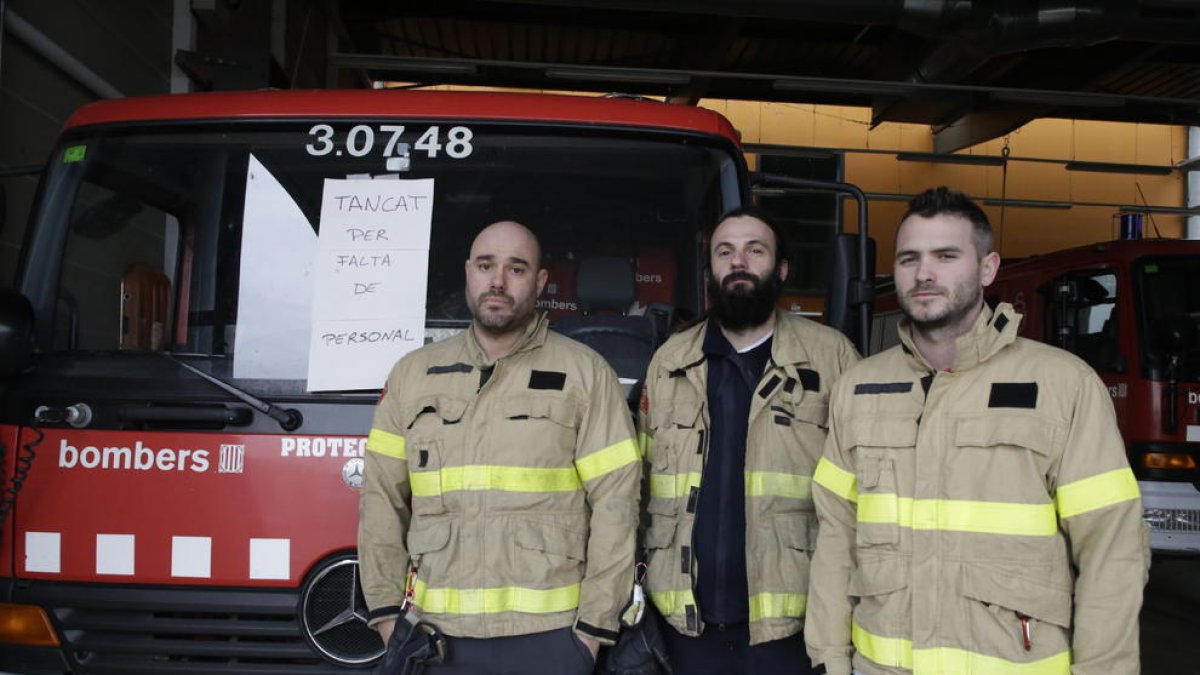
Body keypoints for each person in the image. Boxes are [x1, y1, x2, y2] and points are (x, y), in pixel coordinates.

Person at [806, 187, 1150, 675]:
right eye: (909, 258)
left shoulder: (1062, 385)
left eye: (946, 256)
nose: (924, 273)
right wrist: (828, 658)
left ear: (987, 269)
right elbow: (835, 536)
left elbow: (1111, 550)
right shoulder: (858, 387)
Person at [359, 220, 643, 674]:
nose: (497, 281)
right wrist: (388, 616)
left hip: (552, 637)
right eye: (486, 266)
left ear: (540, 281)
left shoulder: (585, 374)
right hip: (435, 639)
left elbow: (617, 502)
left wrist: (592, 631)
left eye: (516, 268)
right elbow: (380, 501)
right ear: (468, 272)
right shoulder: (412, 376)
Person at [638, 207, 859, 674]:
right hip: (684, 628)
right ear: (710, 271)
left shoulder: (832, 359)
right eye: (725, 252)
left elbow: (862, 494)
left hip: (791, 629)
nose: (738, 262)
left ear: (781, 269)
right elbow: (638, 485)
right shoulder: (669, 361)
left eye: (754, 250)